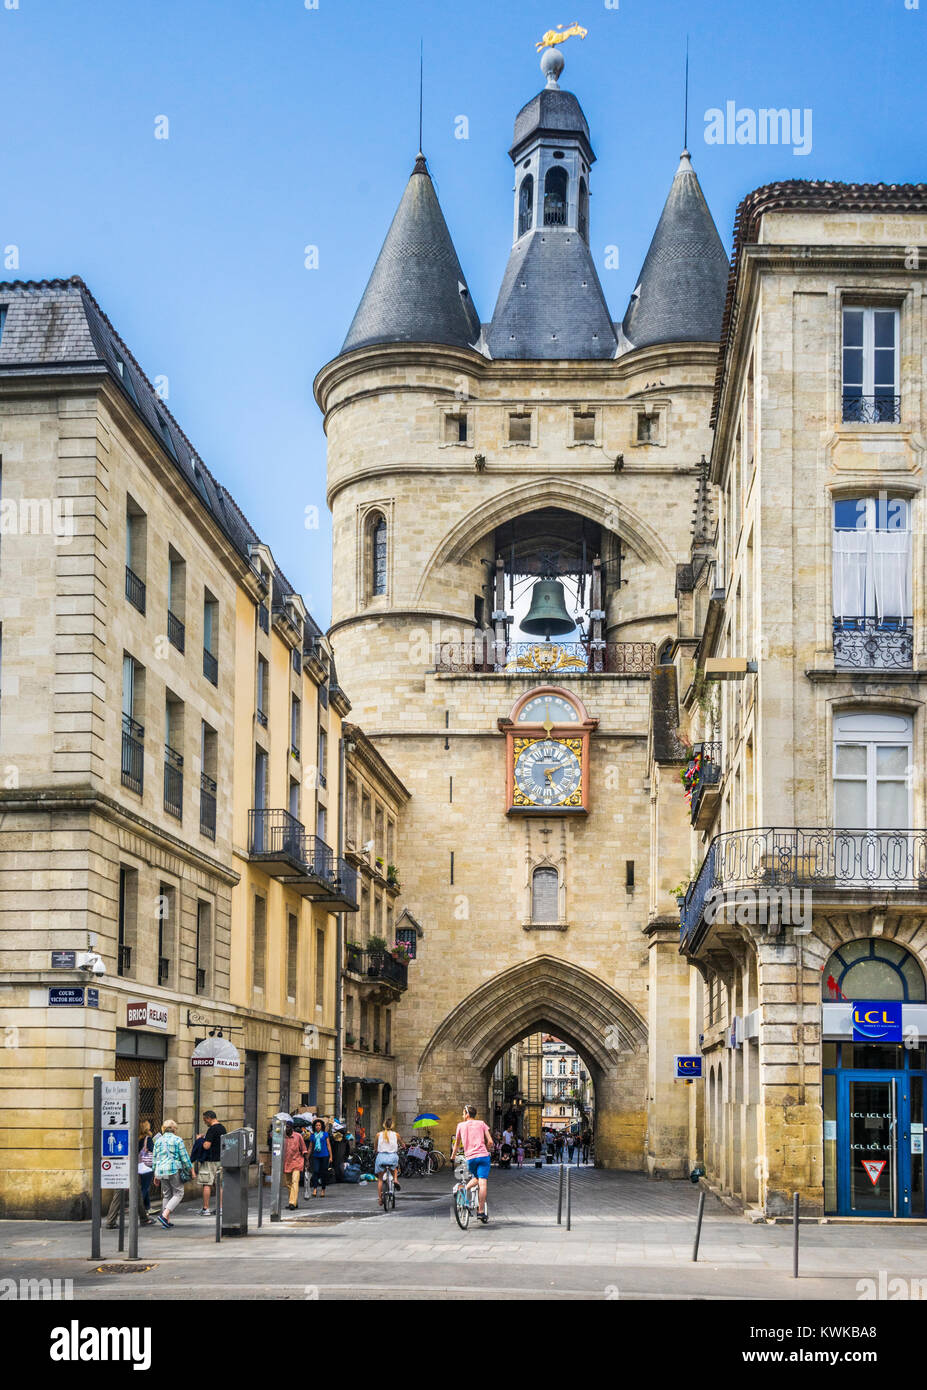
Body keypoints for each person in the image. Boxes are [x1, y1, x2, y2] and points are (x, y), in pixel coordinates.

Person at [105, 1119, 153, 1229]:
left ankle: (112, 1220)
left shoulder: (121, 1135)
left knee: (125, 1193)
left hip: (119, 1166)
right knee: (133, 1192)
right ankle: (143, 1219)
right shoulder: (128, 1136)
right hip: (127, 1167)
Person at [450, 1103, 494, 1224]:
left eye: (463, 1113)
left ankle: (463, 1189)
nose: (462, 1115)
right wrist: (488, 1147)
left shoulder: (460, 1125)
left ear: (467, 1114)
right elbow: (490, 1141)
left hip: (470, 1158)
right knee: (482, 1182)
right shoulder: (481, 1124)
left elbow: (457, 1143)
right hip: (483, 1156)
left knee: (477, 1178)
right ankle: (480, 1211)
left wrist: (453, 1156)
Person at [152, 1119, 191, 1228]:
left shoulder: (158, 1141)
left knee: (167, 1194)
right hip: (173, 1169)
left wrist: (155, 1174)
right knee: (179, 1193)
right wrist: (190, 1169)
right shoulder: (177, 1140)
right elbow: (184, 1157)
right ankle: (164, 1215)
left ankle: (166, 1221)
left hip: (161, 1170)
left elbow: (155, 1158)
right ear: (174, 1129)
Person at [195, 1109, 226, 1216]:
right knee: (220, 1185)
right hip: (220, 1160)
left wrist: (200, 1139)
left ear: (209, 1118)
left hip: (210, 1160)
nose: (204, 1122)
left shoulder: (212, 1130)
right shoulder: (222, 1128)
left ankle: (206, 1208)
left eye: (205, 1120)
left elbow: (206, 1146)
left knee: (207, 1183)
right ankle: (221, 1208)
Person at [374, 1116, 404, 1208]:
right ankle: (395, 1179)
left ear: (383, 1125)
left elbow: (375, 1147)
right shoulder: (396, 1135)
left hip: (381, 1157)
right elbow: (402, 1144)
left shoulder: (378, 1135)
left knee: (380, 1179)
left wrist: (376, 1150)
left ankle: (380, 1199)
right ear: (392, 1125)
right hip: (392, 1157)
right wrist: (402, 1146)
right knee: (394, 1168)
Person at [283, 1121, 307, 1210]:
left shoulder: (298, 1136)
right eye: (285, 1127)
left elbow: (304, 1149)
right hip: (286, 1163)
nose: (286, 1128)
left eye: (288, 1127)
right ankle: (294, 1201)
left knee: (295, 1182)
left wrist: (307, 1162)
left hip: (297, 1162)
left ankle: (292, 1203)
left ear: (292, 1128)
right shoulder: (282, 1137)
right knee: (288, 1183)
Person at [307, 1118, 332, 1196]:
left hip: (325, 1155)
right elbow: (310, 1147)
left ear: (321, 1126)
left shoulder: (325, 1134)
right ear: (314, 1127)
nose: (318, 1126)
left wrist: (331, 1156)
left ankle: (323, 1190)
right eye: (316, 1125)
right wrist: (307, 1157)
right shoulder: (312, 1135)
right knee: (315, 1172)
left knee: (323, 1173)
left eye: (319, 1125)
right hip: (316, 1156)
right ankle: (314, 1189)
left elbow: (328, 1145)